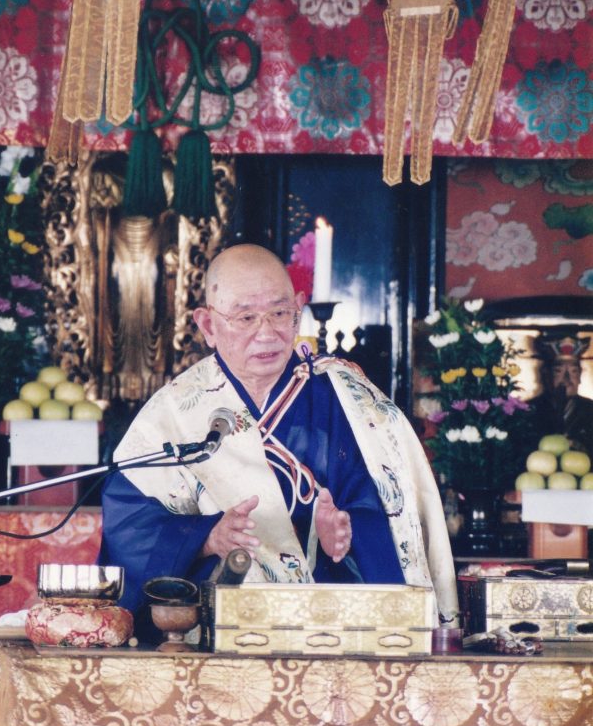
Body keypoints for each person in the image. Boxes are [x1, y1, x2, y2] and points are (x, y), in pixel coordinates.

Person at [99, 245, 458, 631]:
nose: (266, 333)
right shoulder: (174, 412)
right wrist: (205, 538)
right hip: (223, 631)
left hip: (337, 627)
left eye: (280, 313)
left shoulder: (348, 400)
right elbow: (130, 524)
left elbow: (397, 512)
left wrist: (347, 533)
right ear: (207, 326)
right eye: (246, 317)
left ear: (299, 310)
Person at [529, 330, 593, 458]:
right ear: (547, 375)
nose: (567, 379)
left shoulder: (590, 409)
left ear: (580, 376)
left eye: (574, 371)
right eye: (559, 371)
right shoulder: (529, 410)